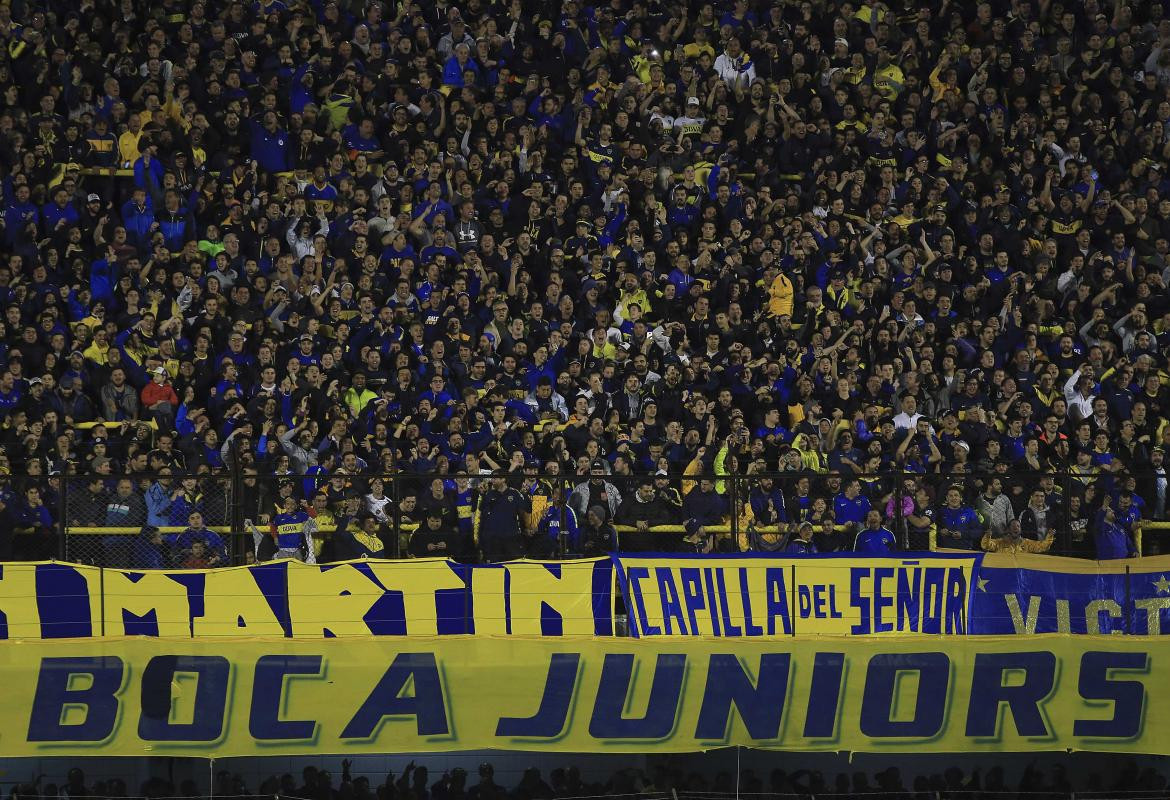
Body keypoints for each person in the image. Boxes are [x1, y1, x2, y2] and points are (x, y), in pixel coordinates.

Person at [475, 474, 531, 561]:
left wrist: (525, 494)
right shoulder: (489, 495)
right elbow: (482, 516)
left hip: (512, 539)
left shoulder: (515, 493)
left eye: (495, 478)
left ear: (503, 479)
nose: (492, 481)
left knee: (514, 566)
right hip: (494, 541)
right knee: (495, 568)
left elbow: (527, 509)